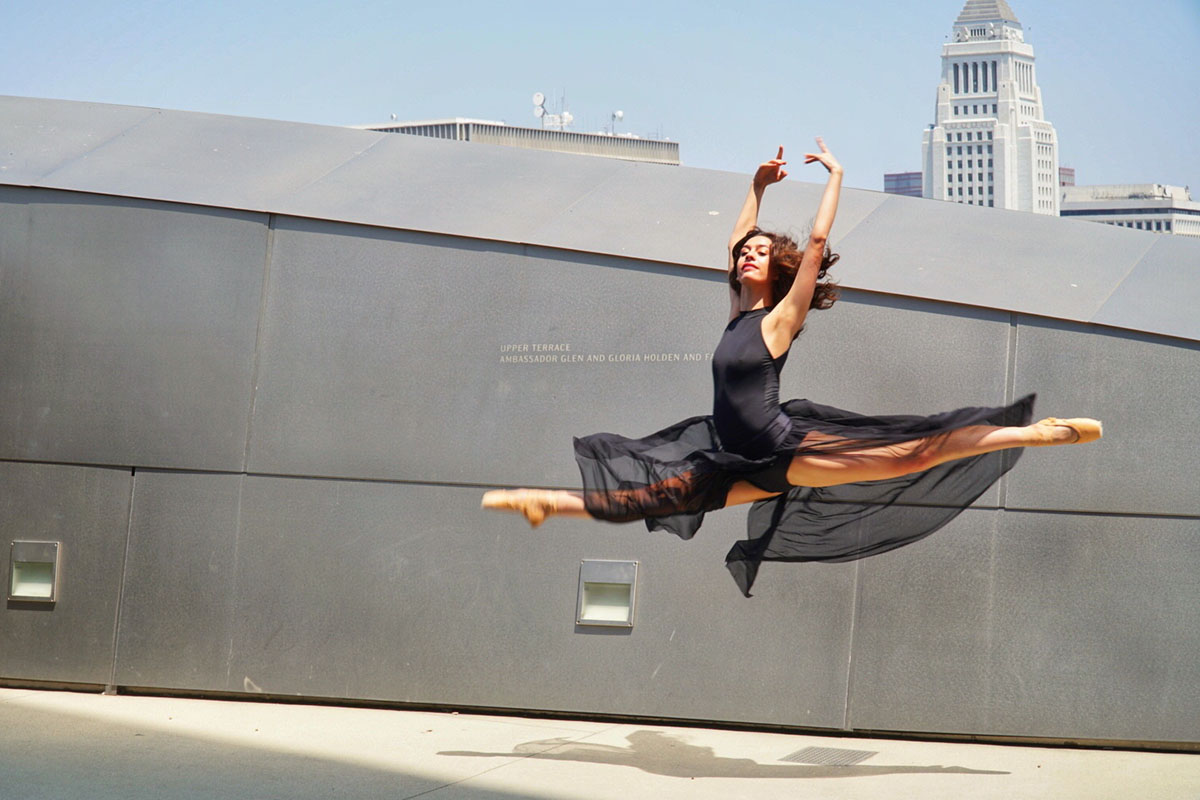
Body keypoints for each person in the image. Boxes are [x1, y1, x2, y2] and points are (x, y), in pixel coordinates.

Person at [483, 140, 1101, 595]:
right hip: (732, 453)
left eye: (757, 253)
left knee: (913, 452)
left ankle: (1037, 432)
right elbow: (735, 237)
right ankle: (545, 503)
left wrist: (836, 174)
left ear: (773, 270)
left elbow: (812, 246)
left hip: (781, 447)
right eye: (744, 253)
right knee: (654, 498)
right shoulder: (734, 310)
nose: (748, 255)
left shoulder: (778, 319)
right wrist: (756, 185)